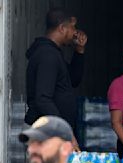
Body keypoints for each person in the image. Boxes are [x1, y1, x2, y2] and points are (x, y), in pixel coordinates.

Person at [24, 8, 88, 151]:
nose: (74, 32)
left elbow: (73, 80)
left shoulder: (54, 53)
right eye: (72, 28)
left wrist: (79, 51)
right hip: (49, 134)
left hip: (55, 133)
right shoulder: (47, 56)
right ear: (62, 28)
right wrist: (65, 132)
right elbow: (43, 99)